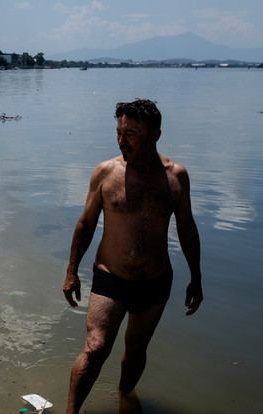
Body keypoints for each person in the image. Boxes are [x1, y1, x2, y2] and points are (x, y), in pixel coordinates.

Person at [62, 99, 204, 413]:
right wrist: (72, 270)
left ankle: (125, 400)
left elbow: (187, 228)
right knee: (96, 347)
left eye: (131, 133)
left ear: (155, 135)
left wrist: (196, 278)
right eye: (119, 132)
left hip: (154, 281)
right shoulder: (106, 173)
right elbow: (86, 223)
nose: (122, 140)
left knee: (136, 349)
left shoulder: (176, 176)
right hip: (110, 276)